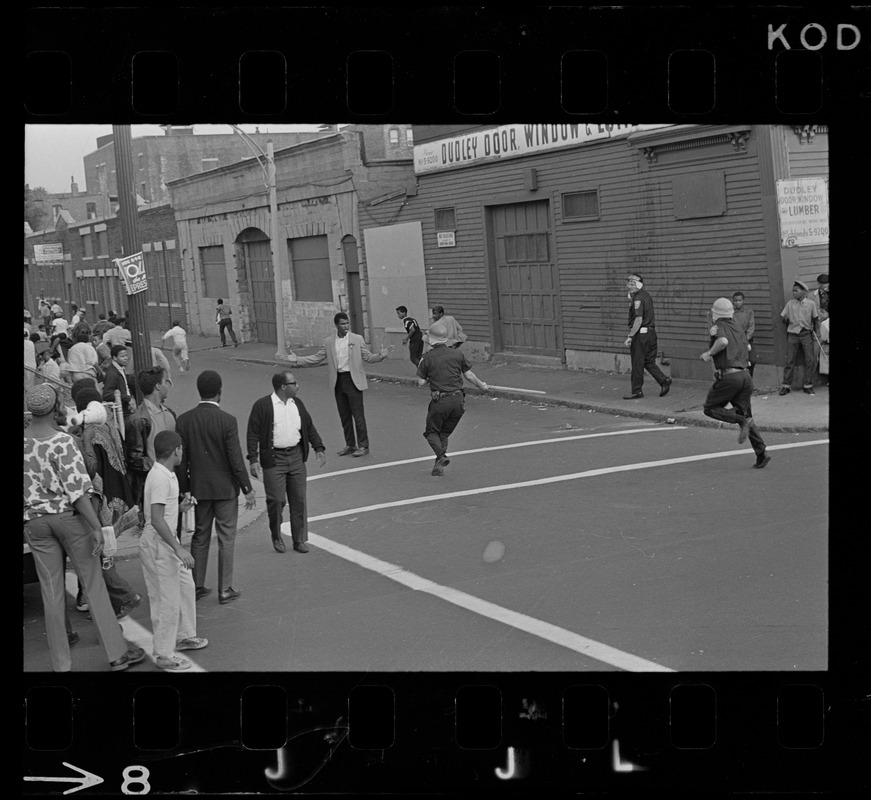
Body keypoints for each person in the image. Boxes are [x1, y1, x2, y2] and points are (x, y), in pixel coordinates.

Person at [23, 384, 146, 672]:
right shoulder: (63, 442)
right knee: (92, 584)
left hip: (36, 524)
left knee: (50, 592)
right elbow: (78, 492)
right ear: (55, 409)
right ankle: (116, 654)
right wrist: (97, 528)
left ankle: (61, 664)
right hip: (69, 519)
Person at [176, 370, 256, 605]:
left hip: (199, 489)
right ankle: (225, 588)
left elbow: (182, 460)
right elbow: (235, 458)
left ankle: (196, 585)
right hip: (224, 490)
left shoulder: (184, 420)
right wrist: (247, 488)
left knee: (200, 536)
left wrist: (186, 489)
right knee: (226, 537)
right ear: (220, 391)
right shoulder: (227, 421)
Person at [68, 386, 142, 619]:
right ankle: (96, 599)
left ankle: (123, 597)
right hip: (119, 498)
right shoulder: (110, 426)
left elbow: (90, 469)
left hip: (101, 502)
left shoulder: (88, 434)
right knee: (104, 552)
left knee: (99, 553)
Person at [140, 430, 208, 670]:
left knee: (185, 587)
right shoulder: (160, 478)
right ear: (176, 450)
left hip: (165, 541)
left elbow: (162, 512)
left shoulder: (167, 474)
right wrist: (179, 548)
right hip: (161, 544)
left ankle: (184, 635)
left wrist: (180, 507)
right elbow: (157, 520)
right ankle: (164, 654)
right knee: (166, 600)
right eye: (182, 448)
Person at [290, 312, 393, 458]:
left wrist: (380, 356)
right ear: (336, 325)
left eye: (347, 323)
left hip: (353, 380)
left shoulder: (357, 339)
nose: (345, 326)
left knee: (358, 416)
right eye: (342, 324)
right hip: (338, 380)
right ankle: (350, 445)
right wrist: (297, 360)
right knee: (344, 416)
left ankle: (363, 446)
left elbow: (368, 357)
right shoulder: (329, 342)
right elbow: (317, 358)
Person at [247, 371, 327, 554]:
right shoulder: (263, 406)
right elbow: (253, 433)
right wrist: (253, 458)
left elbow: (308, 426)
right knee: (276, 500)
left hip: (296, 456)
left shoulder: (297, 404)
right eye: (294, 383)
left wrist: (319, 448)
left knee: (299, 499)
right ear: (283, 387)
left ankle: (299, 539)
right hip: (275, 459)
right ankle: (276, 535)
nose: (297, 386)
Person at [700, 298, 771, 469]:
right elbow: (746, 348)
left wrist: (709, 353)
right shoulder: (738, 327)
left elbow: (723, 342)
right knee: (746, 415)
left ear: (715, 314)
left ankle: (740, 419)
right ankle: (761, 453)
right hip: (745, 376)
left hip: (730, 377)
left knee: (709, 408)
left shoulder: (718, 327)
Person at [416, 321, 489, 476]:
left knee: (431, 432)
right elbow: (469, 375)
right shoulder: (457, 354)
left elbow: (421, 382)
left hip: (440, 400)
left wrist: (431, 375)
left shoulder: (427, 358)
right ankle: (438, 467)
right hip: (458, 400)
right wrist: (482, 386)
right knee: (443, 434)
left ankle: (441, 456)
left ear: (432, 340)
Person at [126, 367, 179, 529]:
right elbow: (133, 459)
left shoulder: (169, 413)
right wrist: (159, 470)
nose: (168, 386)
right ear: (157, 386)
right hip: (153, 488)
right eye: (165, 382)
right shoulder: (137, 420)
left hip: (172, 484)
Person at [622, 272, 671, 400]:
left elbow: (638, 319)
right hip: (651, 333)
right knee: (648, 361)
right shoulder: (646, 296)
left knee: (637, 362)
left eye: (632, 283)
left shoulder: (638, 298)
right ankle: (664, 380)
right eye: (629, 283)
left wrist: (630, 336)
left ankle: (636, 391)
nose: (630, 286)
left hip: (641, 335)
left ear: (639, 284)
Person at [779, 279, 820, 396]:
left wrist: (816, 333)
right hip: (793, 335)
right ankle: (786, 386)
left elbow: (816, 320)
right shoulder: (790, 304)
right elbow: (783, 319)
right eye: (793, 291)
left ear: (803, 292)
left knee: (810, 360)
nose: (794, 293)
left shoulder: (811, 304)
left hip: (806, 334)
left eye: (796, 291)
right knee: (790, 361)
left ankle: (808, 385)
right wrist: (785, 318)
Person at [102, 345, 135, 415]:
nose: (126, 358)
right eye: (122, 356)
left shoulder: (121, 368)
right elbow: (107, 395)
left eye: (126, 355)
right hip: (121, 411)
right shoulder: (112, 374)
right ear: (114, 358)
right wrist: (127, 398)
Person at [730, 292, 757, 378]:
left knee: (752, 360)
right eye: (735, 301)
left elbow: (751, 326)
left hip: (747, 339)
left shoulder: (749, 312)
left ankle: (749, 379)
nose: (738, 302)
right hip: (735, 340)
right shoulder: (731, 313)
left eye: (740, 300)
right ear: (733, 302)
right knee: (737, 362)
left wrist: (746, 339)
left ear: (743, 301)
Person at [817, 308, 829, 386]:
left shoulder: (824, 323)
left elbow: (824, 337)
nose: (818, 316)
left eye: (819, 314)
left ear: (823, 313)